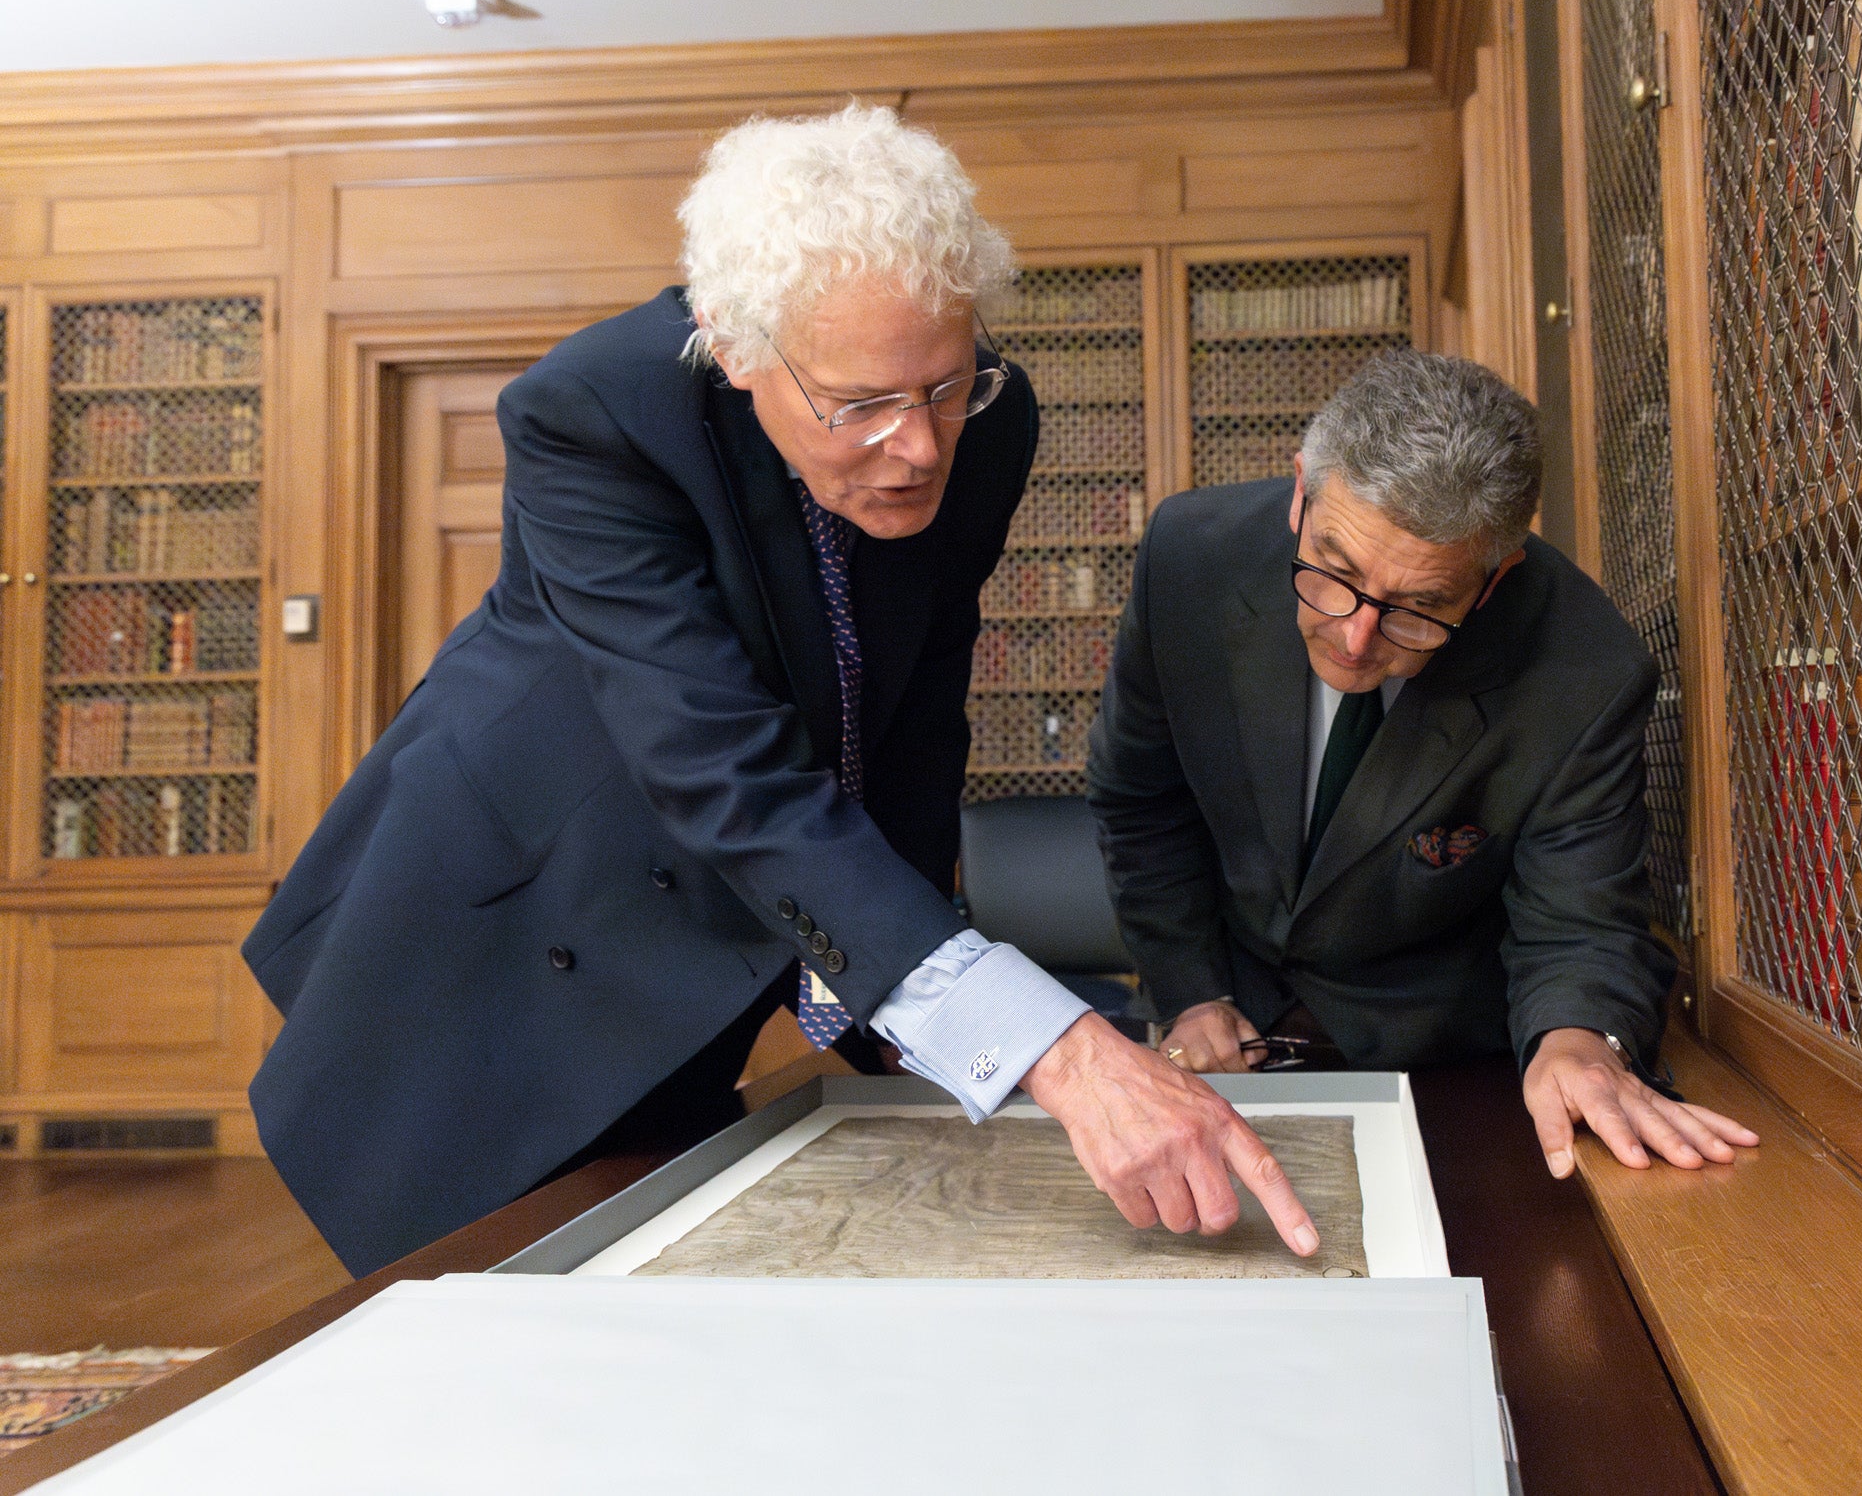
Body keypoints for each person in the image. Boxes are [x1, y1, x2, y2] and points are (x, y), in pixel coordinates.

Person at [243, 104, 1315, 1275]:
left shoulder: (989, 428)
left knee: (651, 1279)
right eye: (858, 405)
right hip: (509, 922)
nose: (918, 447)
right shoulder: (595, 415)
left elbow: (910, 722)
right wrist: (1050, 1045)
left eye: (946, 385)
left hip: (723, 932)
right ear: (734, 343)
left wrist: (925, 1015)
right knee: (469, 1305)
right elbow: (720, 766)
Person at [1087, 351, 1758, 1178]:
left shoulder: (1584, 673)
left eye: (1420, 606)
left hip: (1447, 1067)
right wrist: (1191, 989)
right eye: (1335, 570)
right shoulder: (1189, 558)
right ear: (1300, 492)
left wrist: (1578, 1040)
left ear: (1492, 579)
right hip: (1224, 1030)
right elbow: (1140, 801)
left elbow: (1579, 919)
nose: (1356, 636)